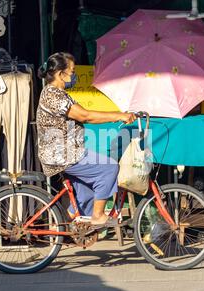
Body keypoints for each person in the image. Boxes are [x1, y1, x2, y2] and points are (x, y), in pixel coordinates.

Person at [36, 52, 136, 227]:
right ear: (60, 74)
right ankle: (98, 216)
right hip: (62, 154)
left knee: (88, 195)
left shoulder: (58, 93)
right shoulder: (54, 95)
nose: (74, 75)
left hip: (67, 152)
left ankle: (66, 227)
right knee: (109, 168)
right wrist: (119, 116)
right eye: (72, 71)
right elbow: (85, 116)